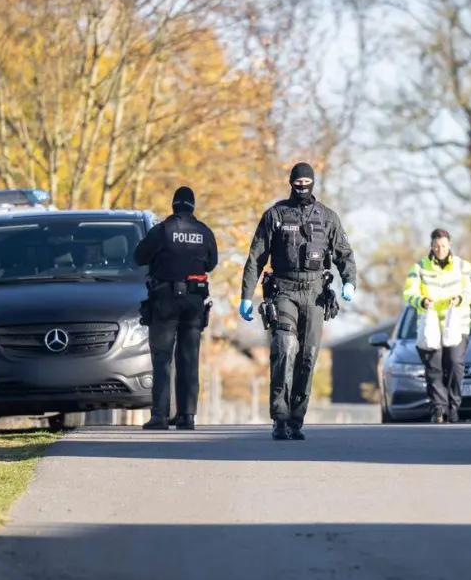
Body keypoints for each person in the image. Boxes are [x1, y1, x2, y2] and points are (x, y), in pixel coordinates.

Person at [239, 162, 356, 441]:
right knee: (285, 347)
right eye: (298, 181)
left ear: (313, 183)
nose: (302, 186)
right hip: (285, 290)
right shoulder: (275, 215)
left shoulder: (328, 218)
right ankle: (279, 417)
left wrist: (349, 281)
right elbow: (256, 258)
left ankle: (296, 419)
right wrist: (246, 295)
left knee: (308, 356)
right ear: (290, 182)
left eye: (307, 181)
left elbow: (345, 254)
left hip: (316, 292)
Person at [134, 186, 218, 431]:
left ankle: (160, 417)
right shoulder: (204, 232)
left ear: (173, 205)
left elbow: (139, 257)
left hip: (164, 301)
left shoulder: (161, 230)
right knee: (189, 359)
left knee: (162, 359)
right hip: (193, 302)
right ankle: (187, 417)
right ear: (193, 207)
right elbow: (212, 263)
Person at [404, 228, 471, 423]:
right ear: (431, 246)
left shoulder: (463, 266)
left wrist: (460, 298)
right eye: (436, 246)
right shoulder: (419, 268)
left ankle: (453, 408)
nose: (440, 250)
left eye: (443, 246)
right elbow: (409, 293)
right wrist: (422, 301)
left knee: (455, 365)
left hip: (457, 326)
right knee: (434, 370)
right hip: (430, 328)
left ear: (449, 245)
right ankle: (438, 410)